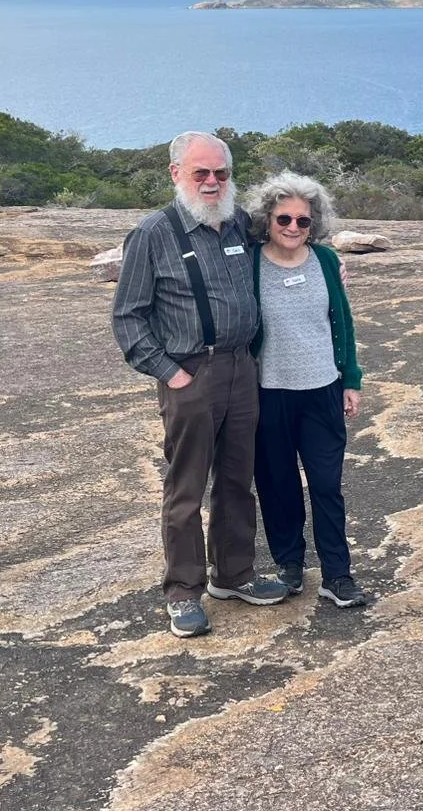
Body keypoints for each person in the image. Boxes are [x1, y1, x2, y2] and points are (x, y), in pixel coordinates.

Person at [113, 131, 286, 639]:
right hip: (191, 374)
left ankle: (233, 575)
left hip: (241, 370)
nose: (212, 182)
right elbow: (128, 317)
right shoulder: (153, 233)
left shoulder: (236, 223)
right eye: (201, 173)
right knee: (186, 488)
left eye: (221, 173)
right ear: (176, 174)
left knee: (238, 479)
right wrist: (173, 373)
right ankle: (183, 592)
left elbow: (288, 243)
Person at [244, 172, 369, 609]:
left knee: (326, 485)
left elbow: (343, 322)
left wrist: (350, 379)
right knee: (277, 484)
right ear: (267, 219)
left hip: (322, 390)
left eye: (303, 220)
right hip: (268, 392)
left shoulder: (327, 262)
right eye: (284, 219)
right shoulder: (249, 262)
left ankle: (337, 574)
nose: (294, 228)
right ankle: (289, 564)